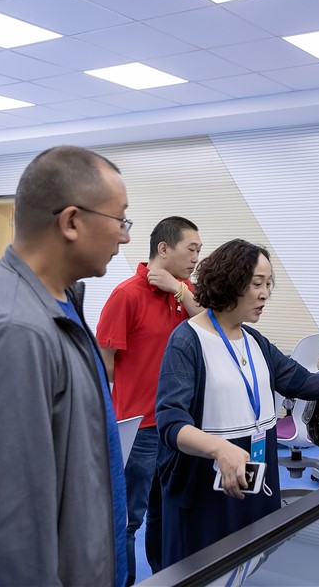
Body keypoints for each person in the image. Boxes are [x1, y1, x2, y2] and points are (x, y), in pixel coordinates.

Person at [0, 146, 131, 586]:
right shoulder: (13, 328)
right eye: (120, 220)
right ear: (71, 222)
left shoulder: (58, 302)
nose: (124, 237)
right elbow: (13, 527)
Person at [156, 238, 319, 566]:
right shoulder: (187, 342)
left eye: (268, 284)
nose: (265, 294)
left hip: (257, 470)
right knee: (209, 570)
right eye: (257, 284)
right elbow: (171, 424)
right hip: (208, 479)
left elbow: (302, 381)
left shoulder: (253, 340)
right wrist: (219, 448)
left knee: (257, 564)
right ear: (230, 282)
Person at [96, 215, 203, 584]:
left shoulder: (185, 291)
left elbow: (213, 327)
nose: (196, 258)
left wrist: (179, 291)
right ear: (164, 248)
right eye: (191, 249)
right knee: (129, 518)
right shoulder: (126, 295)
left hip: (178, 425)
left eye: (199, 251)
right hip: (139, 427)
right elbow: (105, 364)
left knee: (166, 512)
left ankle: (163, 577)